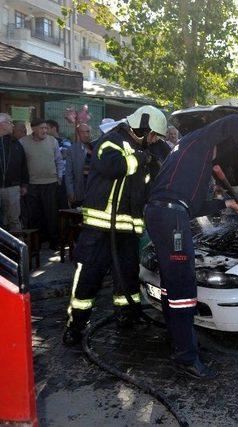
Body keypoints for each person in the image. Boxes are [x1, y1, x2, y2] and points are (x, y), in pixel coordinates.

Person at [145, 114, 238, 379]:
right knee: (183, 286)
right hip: (171, 218)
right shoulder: (199, 141)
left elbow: (194, 207)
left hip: (162, 214)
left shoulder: (188, 157)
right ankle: (186, 357)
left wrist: (228, 204)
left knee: (172, 285)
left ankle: (179, 344)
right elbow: (233, 120)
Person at [62, 105, 167, 346]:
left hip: (127, 230)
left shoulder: (144, 151)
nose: (154, 140)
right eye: (153, 135)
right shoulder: (110, 141)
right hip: (100, 228)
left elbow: (146, 188)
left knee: (128, 276)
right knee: (89, 276)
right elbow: (114, 167)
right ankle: (76, 325)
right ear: (143, 127)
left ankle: (127, 314)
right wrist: (141, 159)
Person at [20, 118, 64, 249]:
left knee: (52, 214)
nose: (45, 130)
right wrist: (23, 184)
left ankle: (54, 242)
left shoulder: (53, 141)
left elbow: (59, 161)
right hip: (32, 185)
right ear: (33, 128)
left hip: (51, 183)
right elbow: (21, 165)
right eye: (42, 128)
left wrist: (59, 177)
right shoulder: (23, 142)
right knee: (34, 215)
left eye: (46, 128)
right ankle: (35, 243)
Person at [0, 113, 28, 232]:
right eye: (10, 122)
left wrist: (24, 184)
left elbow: (23, 165)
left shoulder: (16, 143)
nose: (12, 125)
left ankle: (16, 249)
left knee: (14, 220)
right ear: (2, 125)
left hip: (12, 187)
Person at [65, 123, 93, 208]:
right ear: (78, 134)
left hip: (93, 192)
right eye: (83, 132)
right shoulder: (72, 150)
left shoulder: (95, 147)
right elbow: (69, 174)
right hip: (78, 193)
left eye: (87, 132)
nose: (86, 134)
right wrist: (70, 192)